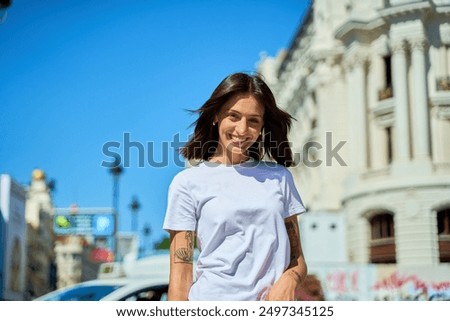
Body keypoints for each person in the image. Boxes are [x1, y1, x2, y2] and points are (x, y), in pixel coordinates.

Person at [163, 72, 307, 301]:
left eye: (253, 121)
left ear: (262, 127)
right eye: (234, 116)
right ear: (215, 117)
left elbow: (297, 260)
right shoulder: (187, 183)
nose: (242, 130)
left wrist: (289, 279)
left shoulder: (280, 178)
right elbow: (181, 275)